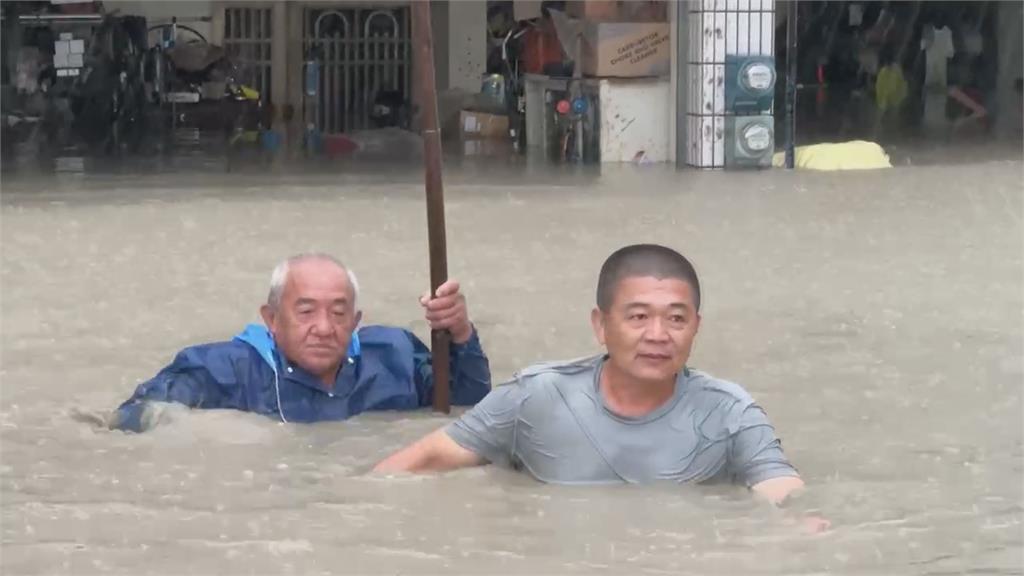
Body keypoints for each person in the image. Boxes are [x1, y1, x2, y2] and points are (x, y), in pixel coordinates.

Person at [375, 244, 806, 506]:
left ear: (696, 326)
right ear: (600, 325)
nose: (658, 335)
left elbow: (780, 488)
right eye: (638, 317)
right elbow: (424, 460)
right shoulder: (537, 397)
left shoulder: (729, 414)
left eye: (676, 319)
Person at [110, 253, 491, 431]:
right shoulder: (223, 369)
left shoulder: (395, 357)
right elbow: (133, 415)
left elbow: (469, 405)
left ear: (356, 321)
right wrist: (220, 433)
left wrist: (459, 334)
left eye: (339, 313)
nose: (324, 328)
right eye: (306, 312)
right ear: (271, 319)